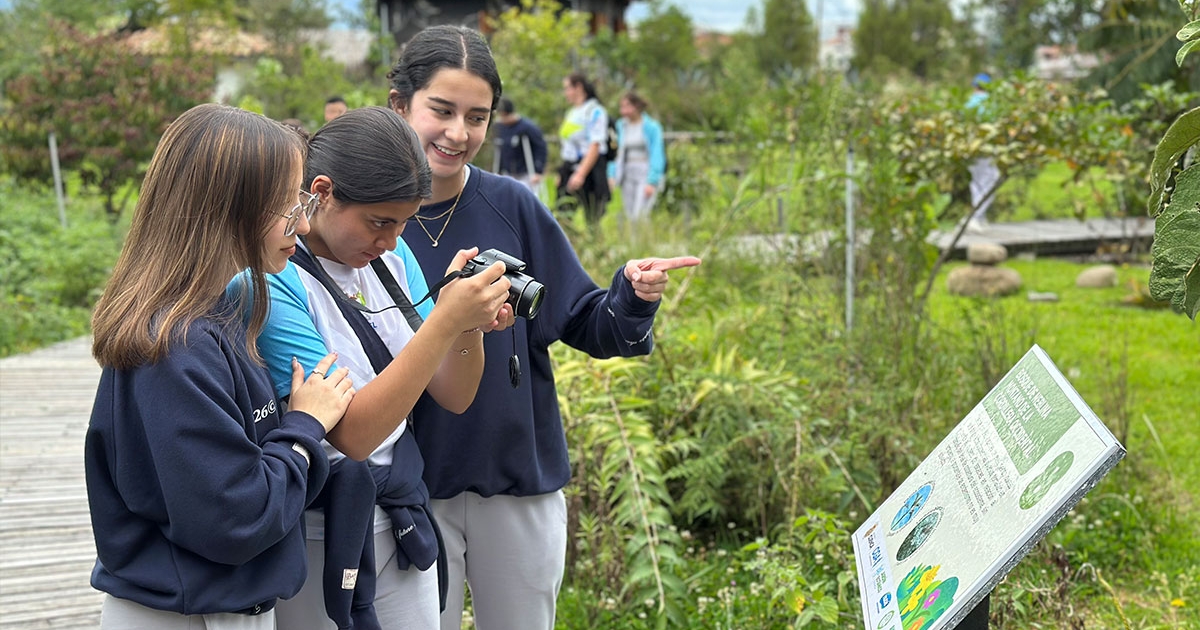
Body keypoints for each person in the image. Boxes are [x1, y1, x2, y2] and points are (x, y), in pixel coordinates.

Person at [385, 25, 701, 630]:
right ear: (400, 105)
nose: (458, 133)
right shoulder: (366, 221)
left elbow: (585, 319)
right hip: (405, 491)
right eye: (441, 110)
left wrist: (630, 297)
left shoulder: (514, 206)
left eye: (476, 117)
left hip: (516, 482)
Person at [85, 103, 354, 629]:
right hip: (187, 613)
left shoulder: (207, 319)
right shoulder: (177, 346)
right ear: (227, 208)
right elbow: (239, 518)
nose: (302, 223)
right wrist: (304, 427)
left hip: (208, 603)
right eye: (289, 204)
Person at [253, 106, 514, 629]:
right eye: (379, 222)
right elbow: (351, 433)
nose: (391, 242)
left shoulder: (391, 262)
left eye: (403, 224)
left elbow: (454, 395)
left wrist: (467, 326)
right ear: (321, 191)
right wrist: (443, 322)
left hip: (397, 514)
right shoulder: (277, 274)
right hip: (317, 526)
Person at [556, 73, 611, 227]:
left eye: (568, 88)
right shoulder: (572, 113)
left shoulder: (594, 111)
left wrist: (580, 174)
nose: (566, 93)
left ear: (578, 87)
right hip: (570, 165)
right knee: (563, 213)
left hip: (589, 167)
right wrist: (563, 173)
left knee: (592, 216)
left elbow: (595, 145)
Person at [606, 91, 666, 230]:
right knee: (630, 214)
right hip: (627, 173)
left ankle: (645, 244)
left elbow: (657, 153)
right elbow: (616, 152)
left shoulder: (651, 127)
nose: (624, 111)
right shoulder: (621, 126)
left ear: (637, 106)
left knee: (640, 214)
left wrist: (652, 180)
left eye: (627, 106)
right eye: (622, 107)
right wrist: (612, 174)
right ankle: (635, 246)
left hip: (645, 172)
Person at [493, 97, 548, 198]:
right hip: (508, 172)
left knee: (525, 199)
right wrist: (498, 171)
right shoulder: (500, 127)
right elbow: (500, 150)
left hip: (526, 173)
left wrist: (538, 171)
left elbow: (541, 147)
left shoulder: (527, 127)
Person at [966, 73, 999, 233]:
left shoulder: (969, 102)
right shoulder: (991, 102)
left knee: (976, 181)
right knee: (991, 179)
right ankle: (976, 216)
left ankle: (978, 217)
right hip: (987, 147)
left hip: (971, 147)